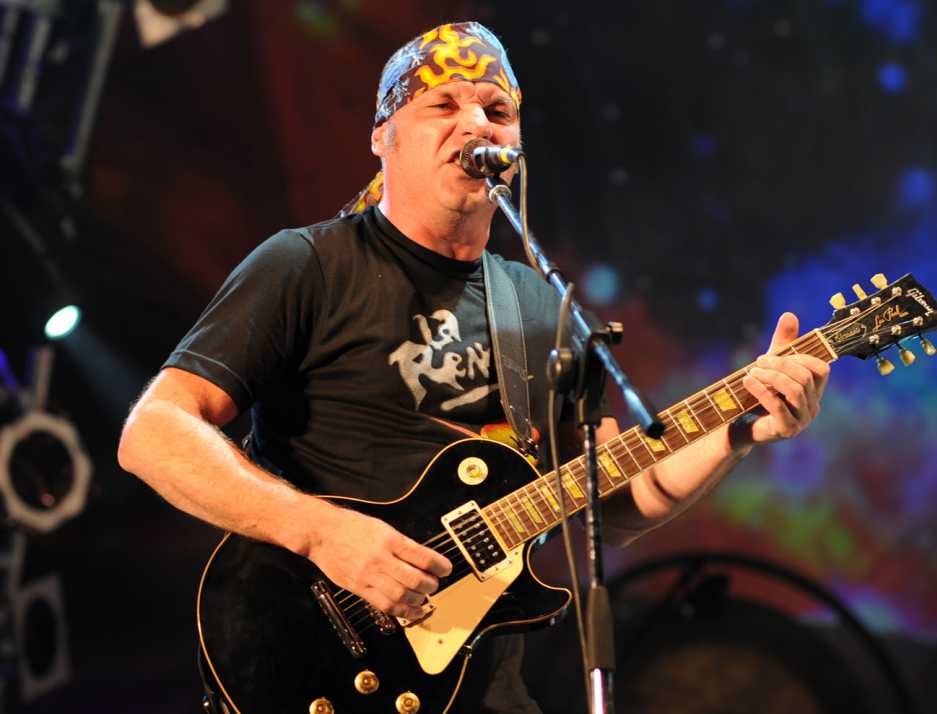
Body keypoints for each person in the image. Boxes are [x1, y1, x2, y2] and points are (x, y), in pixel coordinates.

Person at [117, 21, 829, 714]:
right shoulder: (307, 265)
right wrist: (321, 532)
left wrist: (741, 428)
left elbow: (608, 503)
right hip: (306, 658)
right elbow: (153, 432)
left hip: (481, 687)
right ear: (383, 135)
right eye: (443, 104)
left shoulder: (540, 305)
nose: (476, 123)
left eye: (497, 111)